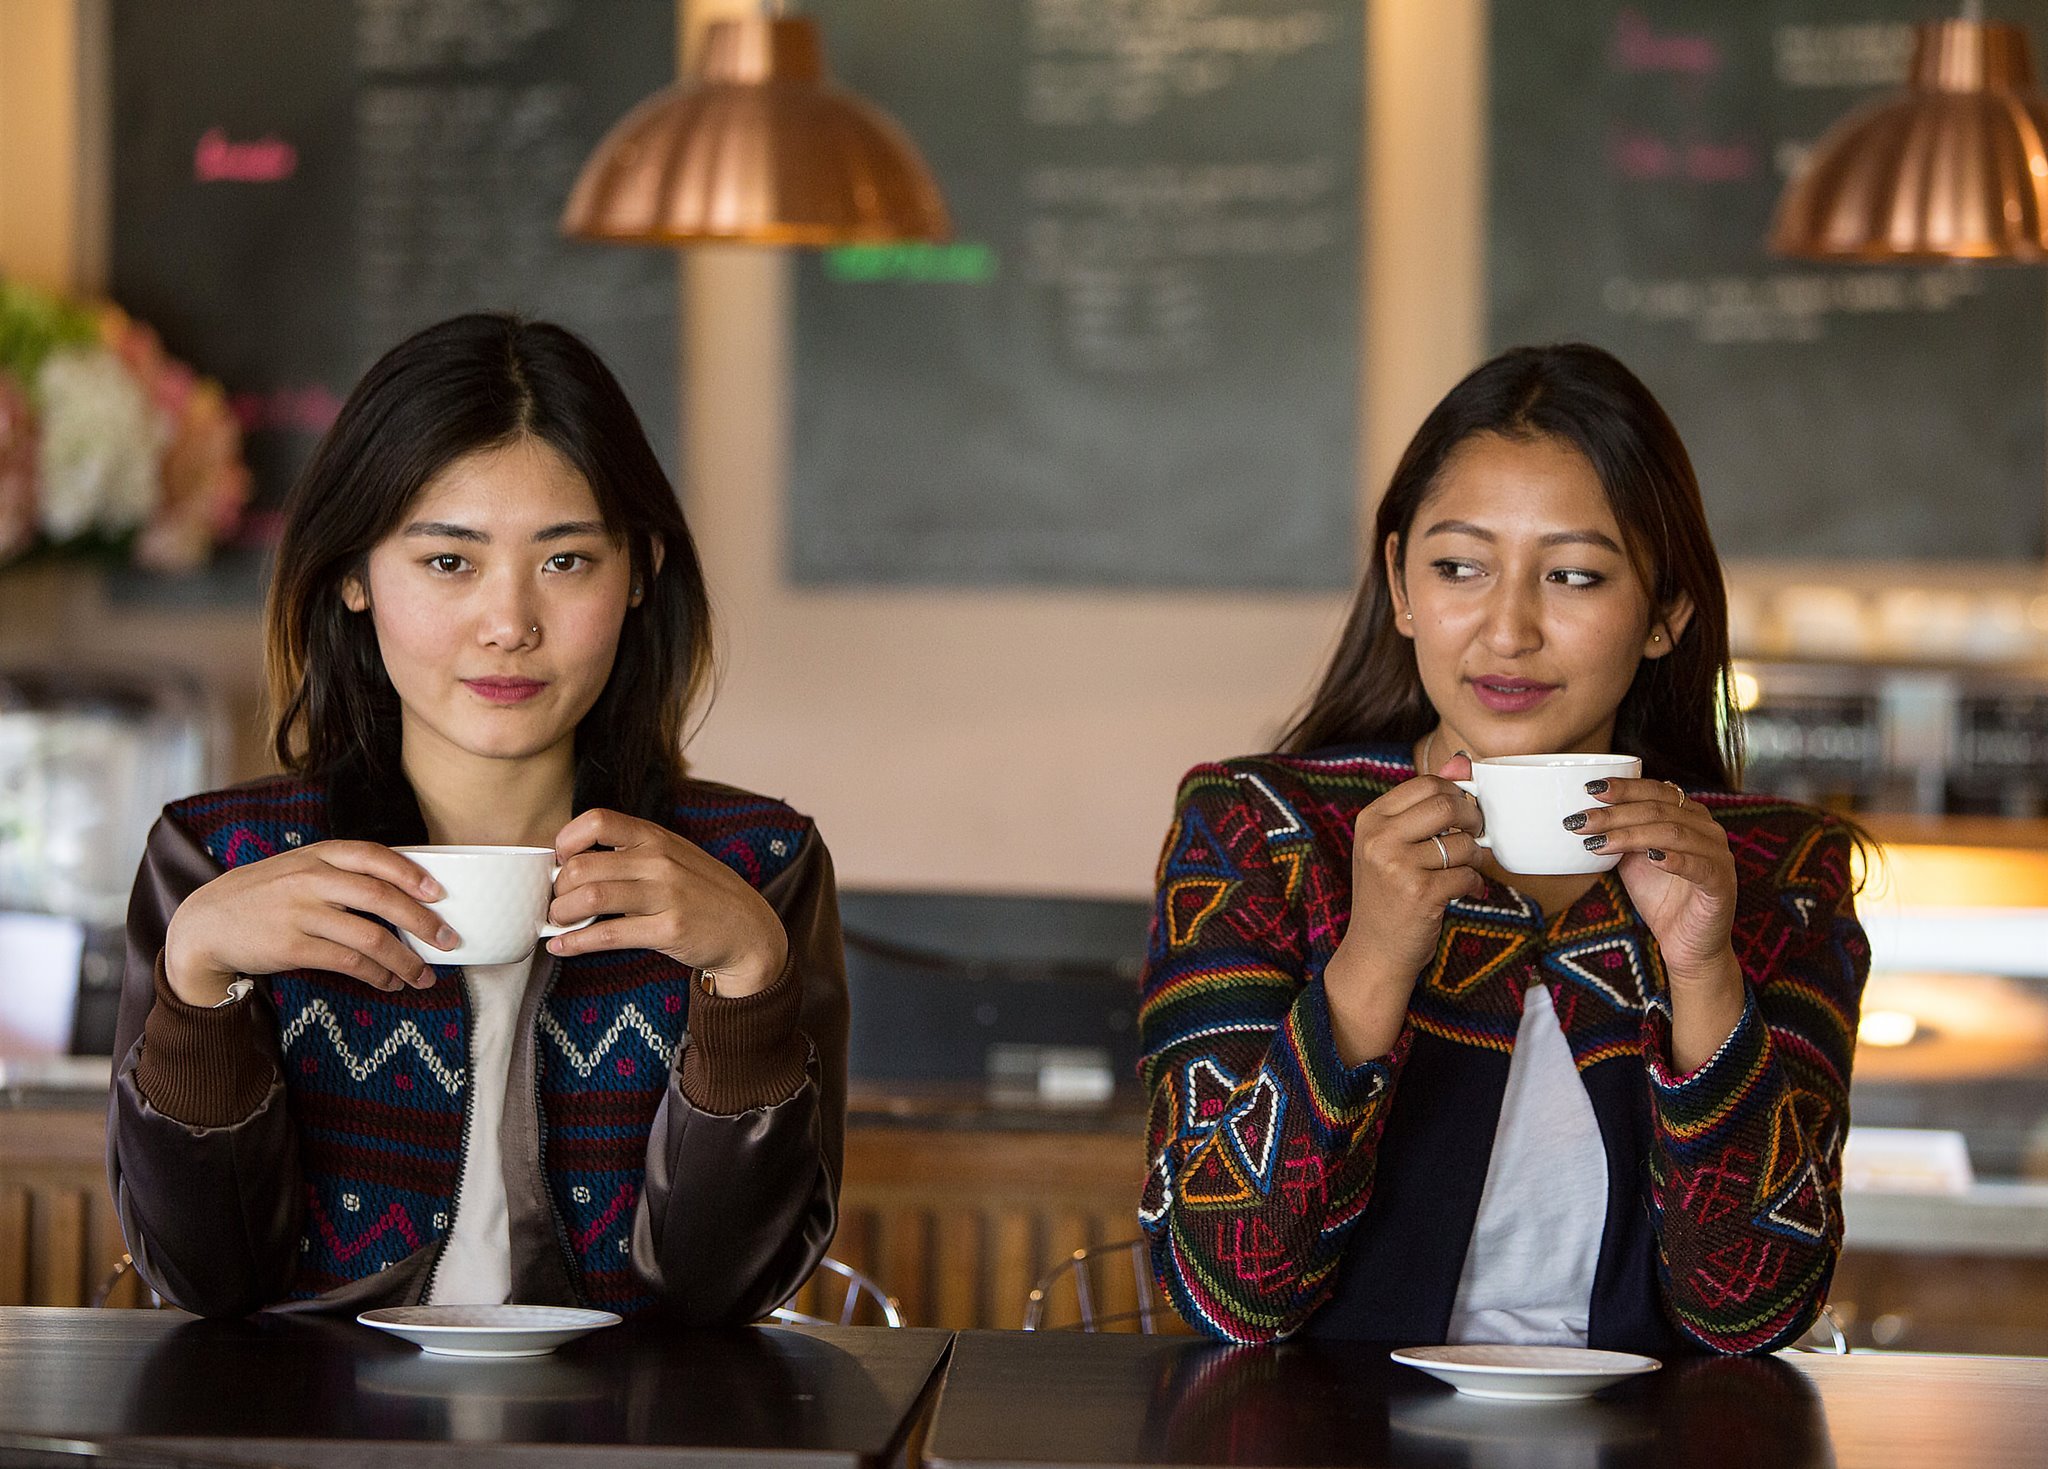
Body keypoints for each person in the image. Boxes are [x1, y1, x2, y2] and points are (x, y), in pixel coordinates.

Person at [108, 313, 847, 1322]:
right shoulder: (219, 862)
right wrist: (195, 982)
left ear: (640, 575)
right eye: (449, 562)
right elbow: (209, 1282)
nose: (509, 623)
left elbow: (722, 1293)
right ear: (352, 578)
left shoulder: (751, 867)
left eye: (566, 560)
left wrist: (750, 980)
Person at [1136, 343, 1869, 1354]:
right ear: (1398, 586)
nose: (1508, 628)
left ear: (1663, 614)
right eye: (1457, 567)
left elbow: (1751, 1311)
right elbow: (1226, 1291)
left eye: (1571, 574)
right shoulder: (1261, 831)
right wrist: (1374, 953)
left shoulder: (1772, 871)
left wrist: (1702, 968)